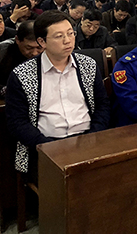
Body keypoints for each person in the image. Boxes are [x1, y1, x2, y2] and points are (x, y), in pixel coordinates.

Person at [5, 10, 110, 175]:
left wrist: (92, 136)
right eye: (59, 36)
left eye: (70, 33)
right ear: (42, 42)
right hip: (44, 146)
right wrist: (48, 147)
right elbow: (17, 122)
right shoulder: (22, 74)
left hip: (87, 140)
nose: (67, 40)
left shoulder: (88, 65)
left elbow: (102, 105)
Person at [0, 21, 44, 93]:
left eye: (39, 48)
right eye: (29, 48)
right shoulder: (3, 51)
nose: (34, 53)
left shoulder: (53, 52)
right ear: (17, 40)